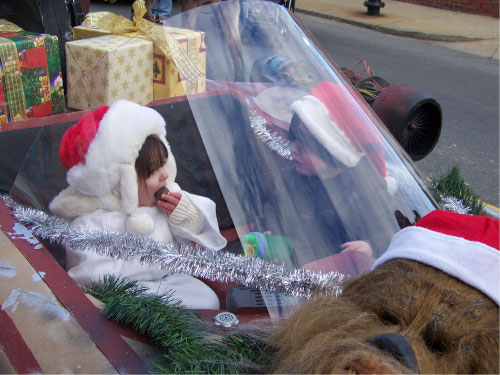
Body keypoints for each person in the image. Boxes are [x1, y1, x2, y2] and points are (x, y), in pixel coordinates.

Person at [49, 99, 227, 309]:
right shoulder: (91, 223)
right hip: (124, 296)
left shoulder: (163, 200)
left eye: (163, 164)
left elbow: (200, 239)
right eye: (152, 171)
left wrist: (186, 215)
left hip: (168, 283)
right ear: (121, 182)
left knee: (207, 299)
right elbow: (90, 279)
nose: (164, 175)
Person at [258, 81, 401, 271]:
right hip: (299, 263)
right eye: (292, 142)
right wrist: (273, 229)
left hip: (342, 274)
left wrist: (370, 246)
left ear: (332, 154)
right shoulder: (293, 177)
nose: (293, 150)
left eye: (303, 147)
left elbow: (390, 229)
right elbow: (274, 208)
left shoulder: (366, 188)